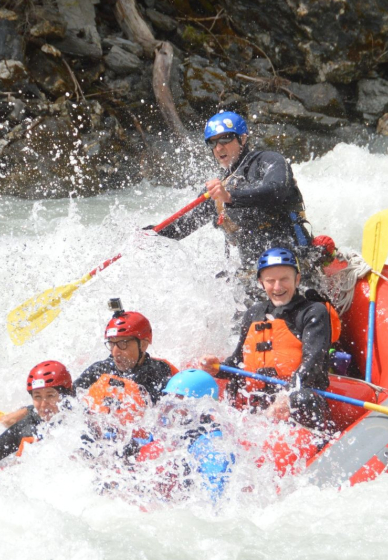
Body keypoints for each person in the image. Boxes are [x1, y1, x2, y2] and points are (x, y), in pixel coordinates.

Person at [150, 111, 313, 302]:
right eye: (212, 143)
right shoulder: (219, 188)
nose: (219, 148)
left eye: (226, 139)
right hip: (255, 276)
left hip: (294, 268)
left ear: (243, 139)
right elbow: (185, 225)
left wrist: (230, 197)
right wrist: (152, 234)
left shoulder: (268, 161)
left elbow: (275, 190)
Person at [199, 247, 340, 432]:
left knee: (301, 398)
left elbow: (312, 366)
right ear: (261, 282)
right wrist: (217, 368)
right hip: (256, 403)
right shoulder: (253, 313)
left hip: (297, 400)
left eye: (284, 279)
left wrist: (287, 397)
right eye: (270, 281)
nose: (278, 287)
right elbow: (239, 363)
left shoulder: (313, 312)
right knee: (227, 388)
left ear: (297, 279)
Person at [131, 369, 234, 502]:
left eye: (179, 400)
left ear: (201, 406)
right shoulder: (173, 431)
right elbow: (140, 444)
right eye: (170, 398)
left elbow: (214, 496)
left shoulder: (212, 446)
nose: (170, 406)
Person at [74, 308, 177, 404]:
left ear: (143, 345)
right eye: (111, 344)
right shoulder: (98, 372)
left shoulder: (161, 373)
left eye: (122, 344)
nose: (115, 353)